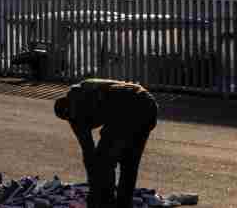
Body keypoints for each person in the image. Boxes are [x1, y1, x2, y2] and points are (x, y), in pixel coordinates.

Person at [53, 79, 158, 208]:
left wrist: (94, 193)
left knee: (106, 161)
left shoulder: (84, 96)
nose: (77, 115)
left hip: (129, 106)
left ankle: (105, 202)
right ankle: (122, 203)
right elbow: (88, 153)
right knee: (129, 162)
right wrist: (93, 186)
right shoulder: (76, 116)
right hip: (148, 105)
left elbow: (93, 157)